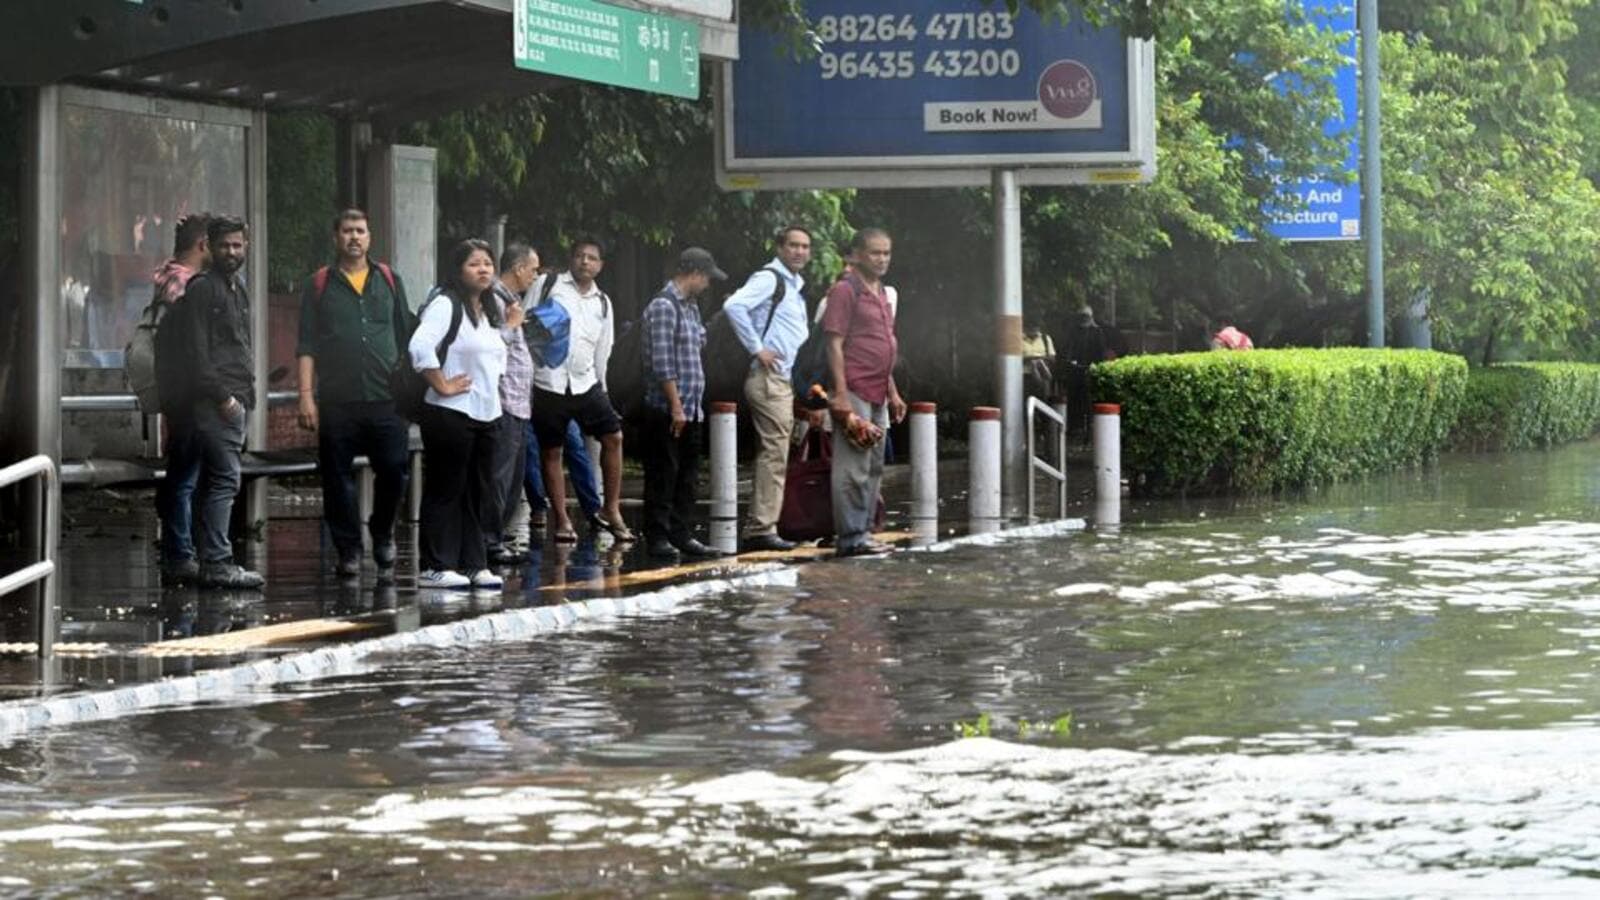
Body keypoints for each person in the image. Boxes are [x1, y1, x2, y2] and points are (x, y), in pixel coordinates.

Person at [295, 209, 412, 583]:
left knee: (394, 470)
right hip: (337, 400)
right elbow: (306, 344)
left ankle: (382, 531)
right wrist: (305, 396)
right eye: (347, 231)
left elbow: (407, 336)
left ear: (370, 237)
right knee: (336, 478)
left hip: (386, 399)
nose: (354, 237)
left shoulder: (390, 280)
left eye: (360, 230)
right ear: (336, 237)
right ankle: (348, 550)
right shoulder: (319, 284)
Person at [159, 215, 263, 589]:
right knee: (224, 481)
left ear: (246, 246)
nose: (231, 252)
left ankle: (209, 560)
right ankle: (217, 562)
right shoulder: (204, 289)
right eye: (224, 245)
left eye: (237, 245)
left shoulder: (238, 288)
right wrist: (226, 400)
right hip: (216, 401)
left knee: (213, 482)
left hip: (233, 397)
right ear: (210, 246)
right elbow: (198, 356)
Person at [411, 239, 507, 590]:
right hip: (450, 412)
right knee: (446, 488)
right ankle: (435, 564)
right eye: (474, 264)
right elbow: (419, 347)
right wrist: (442, 383)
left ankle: (473, 563)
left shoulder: (490, 309)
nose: (483, 269)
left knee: (478, 491)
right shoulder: (444, 305)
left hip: (486, 413)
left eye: (487, 263)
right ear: (457, 271)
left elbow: (494, 358)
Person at [527, 235, 633, 544]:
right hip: (548, 382)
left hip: (586, 382)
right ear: (571, 259)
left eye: (592, 257)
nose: (585, 261)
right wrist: (532, 373)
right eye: (580, 256)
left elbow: (604, 348)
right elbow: (526, 324)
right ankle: (561, 519)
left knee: (613, 436)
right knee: (552, 451)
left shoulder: (602, 301)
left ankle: (611, 508)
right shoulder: (548, 286)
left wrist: (604, 388)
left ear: (600, 265)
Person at [724, 225, 812, 553]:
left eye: (805, 246)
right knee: (774, 452)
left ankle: (770, 521)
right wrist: (757, 348)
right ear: (780, 247)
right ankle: (761, 527)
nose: (799, 251)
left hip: (784, 379)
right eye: (793, 245)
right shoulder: (769, 278)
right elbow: (734, 306)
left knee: (777, 452)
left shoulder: (794, 285)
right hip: (767, 377)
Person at [640, 248, 730, 560]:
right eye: (706, 277)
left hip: (692, 408)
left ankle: (681, 533)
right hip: (668, 408)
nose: (707, 284)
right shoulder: (664, 306)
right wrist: (675, 406)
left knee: (687, 476)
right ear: (694, 273)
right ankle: (658, 536)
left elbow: (699, 342)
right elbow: (663, 363)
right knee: (663, 474)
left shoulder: (690, 308)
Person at [824, 228, 906, 558]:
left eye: (886, 253)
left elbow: (884, 345)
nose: (882, 259)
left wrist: (894, 392)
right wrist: (840, 395)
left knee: (874, 466)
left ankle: (865, 530)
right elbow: (834, 343)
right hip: (854, 388)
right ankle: (850, 537)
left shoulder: (883, 291)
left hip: (878, 391)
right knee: (852, 468)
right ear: (857, 254)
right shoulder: (845, 290)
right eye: (875, 253)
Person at [153, 212, 211, 586]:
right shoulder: (183, 285)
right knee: (185, 474)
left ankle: (185, 547)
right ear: (202, 244)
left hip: (183, 391)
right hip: (188, 393)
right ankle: (180, 551)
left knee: (188, 472)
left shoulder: (170, 278)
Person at [483, 241, 538, 565]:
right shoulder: (493, 298)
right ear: (518, 268)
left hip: (518, 403)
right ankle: (488, 542)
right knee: (499, 476)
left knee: (512, 477)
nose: (534, 276)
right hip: (502, 401)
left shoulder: (510, 300)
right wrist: (512, 326)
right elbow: (490, 345)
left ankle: (496, 538)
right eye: (532, 270)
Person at [1021, 320, 1057, 400]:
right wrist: (1030, 359)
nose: (1033, 329)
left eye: (1035, 327)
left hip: (1043, 374)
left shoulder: (1045, 338)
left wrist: (1039, 359)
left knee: (1042, 400)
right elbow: (1015, 359)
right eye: (1030, 327)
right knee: (1026, 401)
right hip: (1025, 376)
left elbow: (1052, 358)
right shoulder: (1019, 339)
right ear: (1025, 328)